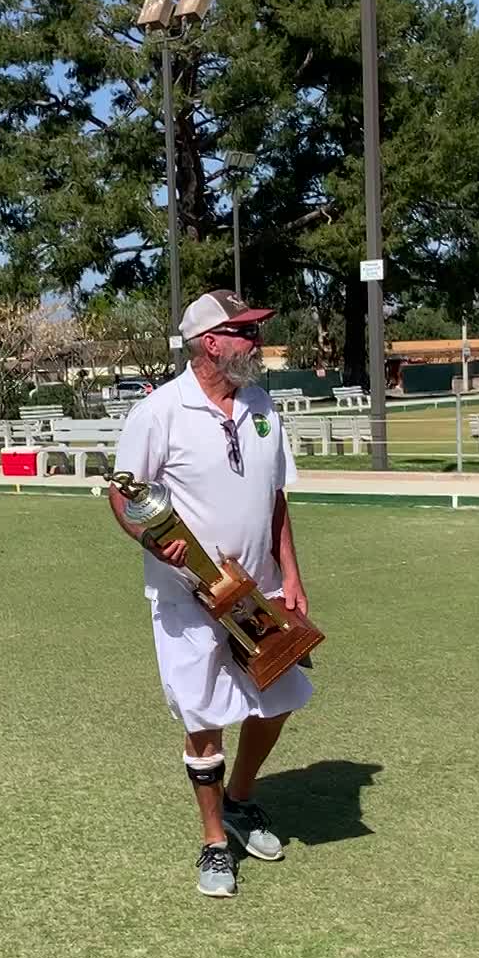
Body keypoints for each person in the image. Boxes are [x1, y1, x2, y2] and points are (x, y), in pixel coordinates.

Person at [109, 290, 312, 899]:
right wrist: (152, 543)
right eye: (245, 333)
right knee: (203, 718)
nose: (257, 342)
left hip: (259, 589)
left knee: (279, 699)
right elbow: (125, 493)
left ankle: (241, 799)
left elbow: (276, 497)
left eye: (255, 331)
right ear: (210, 343)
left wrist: (293, 576)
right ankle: (215, 841)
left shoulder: (261, 406)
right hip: (188, 595)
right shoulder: (160, 411)